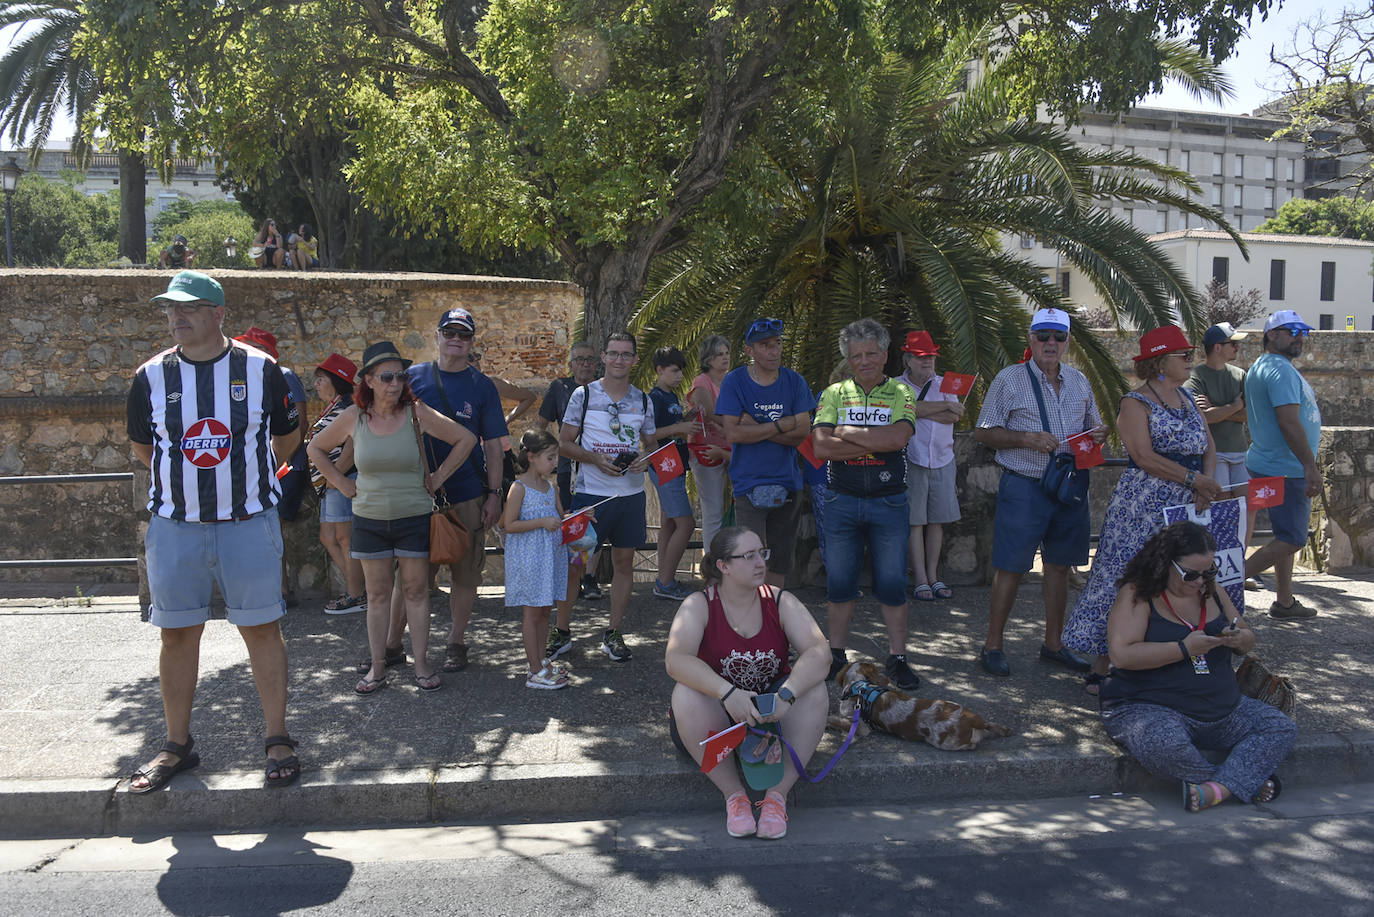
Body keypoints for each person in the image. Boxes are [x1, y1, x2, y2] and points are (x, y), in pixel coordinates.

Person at [126, 270, 302, 792]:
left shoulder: (261, 369)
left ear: (217, 313)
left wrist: (242, 484)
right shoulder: (151, 377)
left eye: (189, 307)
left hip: (248, 522)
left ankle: (277, 739)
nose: (177, 316)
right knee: (176, 634)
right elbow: (144, 449)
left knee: (262, 629)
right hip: (176, 525)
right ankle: (176, 745)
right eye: (171, 308)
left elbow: (287, 440)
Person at [306, 341, 477, 695]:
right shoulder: (355, 417)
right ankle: (378, 667)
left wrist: (438, 478)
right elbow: (315, 448)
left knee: (416, 591)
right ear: (368, 380)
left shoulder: (416, 413)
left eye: (400, 375)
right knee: (379, 594)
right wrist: (339, 482)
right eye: (386, 376)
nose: (395, 383)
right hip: (369, 519)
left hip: (413, 515)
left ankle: (422, 663)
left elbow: (465, 438)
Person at [1063, 326, 1225, 693]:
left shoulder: (1187, 398)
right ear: (1160, 362)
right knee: (1128, 578)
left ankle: (1170, 660)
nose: (1191, 360)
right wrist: (1194, 481)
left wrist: (1207, 483)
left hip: (1187, 501)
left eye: (1190, 354)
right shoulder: (1135, 403)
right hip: (1144, 505)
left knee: (1180, 580)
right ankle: (1106, 665)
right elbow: (1142, 456)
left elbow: (1208, 446)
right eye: (1183, 355)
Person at [1099, 521, 1296, 811]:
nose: (1200, 581)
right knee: (1162, 743)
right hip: (1149, 706)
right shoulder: (1137, 593)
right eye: (1191, 574)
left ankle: (1217, 789)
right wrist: (1183, 648)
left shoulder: (1212, 591)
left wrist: (1239, 639)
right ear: (1164, 564)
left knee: (1280, 728)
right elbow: (1122, 655)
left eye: (1209, 572)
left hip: (1221, 708)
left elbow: (1247, 636)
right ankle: (1236, 784)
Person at [664, 526, 830, 839]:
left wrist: (787, 695)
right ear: (723, 566)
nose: (760, 563)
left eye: (762, 553)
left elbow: (820, 652)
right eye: (749, 555)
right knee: (685, 692)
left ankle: (775, 799)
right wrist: (727, 693)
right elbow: (676, 660)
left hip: (771, 719)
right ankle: (735, 797)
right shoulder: (699, 605)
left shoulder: (780, 601)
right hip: (714, 721)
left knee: (815, 689)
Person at [972, 308, 1106, 677]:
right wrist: (1025, 439)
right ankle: (993, 645)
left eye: (1058, 337)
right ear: (1030, 339)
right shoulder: (1010, 379)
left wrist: (1099, 434)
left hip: (1068, 487)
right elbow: (984, 431)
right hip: (1026, 484)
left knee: (1060, 567)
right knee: (1010, 567)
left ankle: (1054, 644)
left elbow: (1094, 426)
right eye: (1043, 336)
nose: (1051, 343)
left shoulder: (1079, 381)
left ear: (1067, 342)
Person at [811, 318, 921, 689]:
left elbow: (899, 439)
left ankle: (898, 658)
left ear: (885, 354)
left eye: (871, 353)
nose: (865, 360)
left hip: (888, 501)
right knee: (839, 584)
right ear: (849, 359)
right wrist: (874, 438)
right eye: (857, 355)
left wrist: (846, 431)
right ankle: (836, 655)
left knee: (892, 583)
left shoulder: (902, 394)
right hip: (841, 499)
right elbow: (821, 447)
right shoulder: (833, 394)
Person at [405, 308, 509, 673]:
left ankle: (456, 640)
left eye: (463, 335)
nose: (456, 339)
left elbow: (494, 445)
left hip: (466, 492)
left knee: (466, 573)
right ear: (436, 335)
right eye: (450, 332)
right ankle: (395, 644)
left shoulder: (482, 386)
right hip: (416, 494)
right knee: (414, 575)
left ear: (471, 343)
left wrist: (494, 494)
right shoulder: (412, 378)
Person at [558, 332, 658, 662]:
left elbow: (651, 445)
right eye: (613, 353)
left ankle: (613, 633)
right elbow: (564, 443)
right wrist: (596, 459)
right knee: (575, 566)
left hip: (630, 496)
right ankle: (561, 632)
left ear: (635, 359)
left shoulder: (643, 400)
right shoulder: (582, 395)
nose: (619, 360)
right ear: (603, 356)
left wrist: (643, 460)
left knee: (624, 564)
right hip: (590, 494)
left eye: (626, 354)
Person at [714, 318, 816, 588]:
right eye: (765, 345)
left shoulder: (795, 382)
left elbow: (803, 431)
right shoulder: (735, 381)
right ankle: (750, 620)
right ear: (750, 351)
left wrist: (757, 427)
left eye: (777, 343)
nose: (774, 350)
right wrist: (782, 424)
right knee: (750, 560)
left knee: (780, 561)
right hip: (748, 484)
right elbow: (733, 434)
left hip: (788, 483)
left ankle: (772, 616)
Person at [1243, 310, 1324, 619]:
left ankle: (1285, 601)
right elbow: (1289, 422)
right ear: (1272, 335)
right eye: (1292, 331)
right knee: (1292, 539)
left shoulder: (1262, 367)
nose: (1299, 337)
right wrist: (1309, 465)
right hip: (1286, 467)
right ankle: (1224, 583)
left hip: (1266, 462)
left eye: (1303, 332)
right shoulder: (1279, 370)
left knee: (1282, 536)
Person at [233, 327, 310, 608]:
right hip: (262, 465)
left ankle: (281, 589)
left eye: (252, 345)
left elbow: (298, 423)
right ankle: (273, 589)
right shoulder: (246, 376)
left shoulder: (284, 375)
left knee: (270, 525)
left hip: (284, 464)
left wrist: (278, 461)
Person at [894, 330, 966, 602]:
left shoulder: (947, 384)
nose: (928, 362)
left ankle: (933, 576)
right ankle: (920, 579)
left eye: (931, 357)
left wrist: (926, 408)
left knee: (936, 521)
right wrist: (941, 407)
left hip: (943, 459)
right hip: (912, 458)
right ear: (908, 360)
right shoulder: (896, 386)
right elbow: (904, 411)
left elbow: (955, 416)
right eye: (922, 357)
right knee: (915, 522)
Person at [1191, 322, 1263, 591]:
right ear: (1217, 347)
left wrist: (1220, 410)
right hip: (1216, 454)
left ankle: (1240, 567)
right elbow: (1204, 417)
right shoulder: (1196, 375)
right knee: (1221, 509)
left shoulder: (1240, 374)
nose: (1238, 347)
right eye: (1234, 343)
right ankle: (1218, 567)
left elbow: (1249, 415)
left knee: (1248, 509)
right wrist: (1235, 405)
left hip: (1240, 452)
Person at [501, 430, 572, 690]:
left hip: (549, 558)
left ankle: (542, 662)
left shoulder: (550, 487)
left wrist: (579, 518)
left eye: (555, 458)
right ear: (531, 457)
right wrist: (542, 522)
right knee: (532, 613)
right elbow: (510, 525)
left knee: (544, 611)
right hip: (530, 559)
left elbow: (561, 516)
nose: (555, 463)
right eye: (550, 457)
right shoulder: (518, 488)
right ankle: (533, 670)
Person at [537, 341, 603, 605]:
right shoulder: (559, 388)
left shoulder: (604, 389)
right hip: (568, 467)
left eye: (590, 359)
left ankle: (589, 576)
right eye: (580, 359)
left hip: (600, 466)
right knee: (573, 521)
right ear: (571, 363)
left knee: (596, 522)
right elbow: (541, 424)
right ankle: (572, 576)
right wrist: (543, 458)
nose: (585, 363)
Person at [308, 353, 367, 614]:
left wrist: (336, 477)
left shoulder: (348, 406)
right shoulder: (336, 405)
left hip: (341, 481)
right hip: (330, 484)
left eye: (321, 379)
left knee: (345, 538)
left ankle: (357, 594)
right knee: (330, 536)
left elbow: (354, 444)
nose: (316, 385)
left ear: (335, 380)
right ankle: (359, 590)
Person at [648, 346, 700, 600]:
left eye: (681, 371)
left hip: (675, 463)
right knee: (686, 524)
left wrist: (687, 420)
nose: (680, 376)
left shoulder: (670, 396)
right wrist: (680, 426)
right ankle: (665, 582)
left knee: (669, 522)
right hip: (664, 463)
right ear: (660, 370)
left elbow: (672, 428)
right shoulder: (655, 398)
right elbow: (648, 434)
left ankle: (664, 578)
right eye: (675, 371)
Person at [687, 335, 733, 550]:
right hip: (708, 451)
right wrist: (740, 428)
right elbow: (713, 415)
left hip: (732, 447)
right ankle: (713, 566)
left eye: (726, 353)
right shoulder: (701, 382)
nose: (725, 358)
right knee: (712, 509)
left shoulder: (731, 380)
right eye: (719, 355)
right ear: (708, 359)